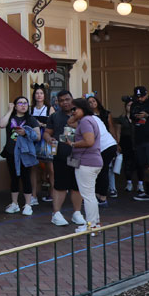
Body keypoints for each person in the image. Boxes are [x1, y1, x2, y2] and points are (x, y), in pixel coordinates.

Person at [43, 91, 84, 227]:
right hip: (60, 156)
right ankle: (56, 214)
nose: (64, 102)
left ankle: (77, 213)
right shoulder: (54, 116)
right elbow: (47, 133)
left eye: (67, 99)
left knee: (76, 186)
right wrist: (49, 139)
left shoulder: (80, 115)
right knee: (60, 185)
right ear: (57, 102)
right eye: (61, 100)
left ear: (72, 99)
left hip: (77, 155)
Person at [0, 96, 40, 216]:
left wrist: (26, 132)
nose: (23, 105)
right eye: (20, 103)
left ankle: (28, 205)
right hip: (11, 152)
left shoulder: (31, 119)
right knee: (14, 178)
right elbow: (1, 124)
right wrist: (9, 110)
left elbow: (37, 136)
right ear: (15, 105)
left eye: (25, 103)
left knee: (25, 177)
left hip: (25, 153)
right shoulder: (10, 117)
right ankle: (14, 203)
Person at [68, 98, 103, 233]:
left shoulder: (86, 121)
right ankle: (95, 223)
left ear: (83, 108)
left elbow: (89, 141)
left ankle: (91, 226)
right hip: (92, 162)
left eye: (74, 109)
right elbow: (70, 122)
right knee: (90, 195)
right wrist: (74, 115)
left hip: (86, 163)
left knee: (87, 196)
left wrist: (72, 144)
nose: (72, 112)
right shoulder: (87, 120)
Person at [85, 94, 117, 205]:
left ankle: (102, 197)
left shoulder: (89, 118)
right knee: (100, 171)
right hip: (106, 146)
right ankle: (99, 195)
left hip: (105, 146)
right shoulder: (92, 117)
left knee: (102, 171)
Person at [29, 84, 52, 206]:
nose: (39, 95)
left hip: (45, 138)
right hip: (33, 139)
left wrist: (41, 125)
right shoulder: (30, 109)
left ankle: (52, 192)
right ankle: (33, 195)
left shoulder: (49, 109)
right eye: (37, 93)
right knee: (33, 167)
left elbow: (52, 124)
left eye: (41, 93)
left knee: (50, 167)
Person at [117, 96, 140, 195]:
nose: (130, 107)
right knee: (127, 163)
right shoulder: (121, 119)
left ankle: (140, 183)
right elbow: (118, 132)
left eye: (132, 105)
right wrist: (118, 143)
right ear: (125, 107)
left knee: (139, 163)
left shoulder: (138, 118)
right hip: (125, 141)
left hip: (137, 141)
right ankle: (129, 182)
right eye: (129, 105)